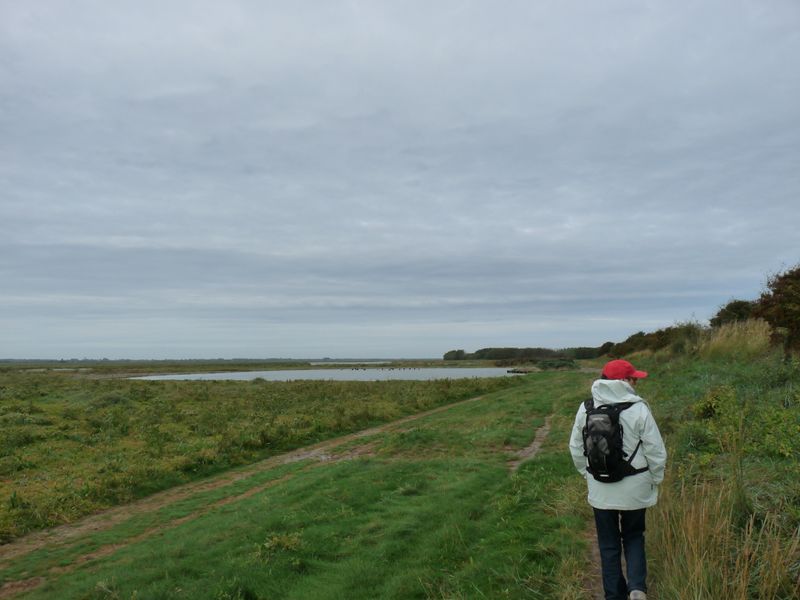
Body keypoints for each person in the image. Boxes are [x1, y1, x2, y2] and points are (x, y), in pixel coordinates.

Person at [569, 359, 667, 600]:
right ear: (624, 381)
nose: (636, 382)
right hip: (635, 488)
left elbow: (575, 447)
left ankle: (614, 595)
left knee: (608, 544)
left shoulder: (586, 408)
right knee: (634, 536)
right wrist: (655, 478)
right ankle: (636, 590)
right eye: (633, 378)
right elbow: (656, 451)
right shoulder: (638, 408)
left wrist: (588, 475)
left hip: (601, 490)